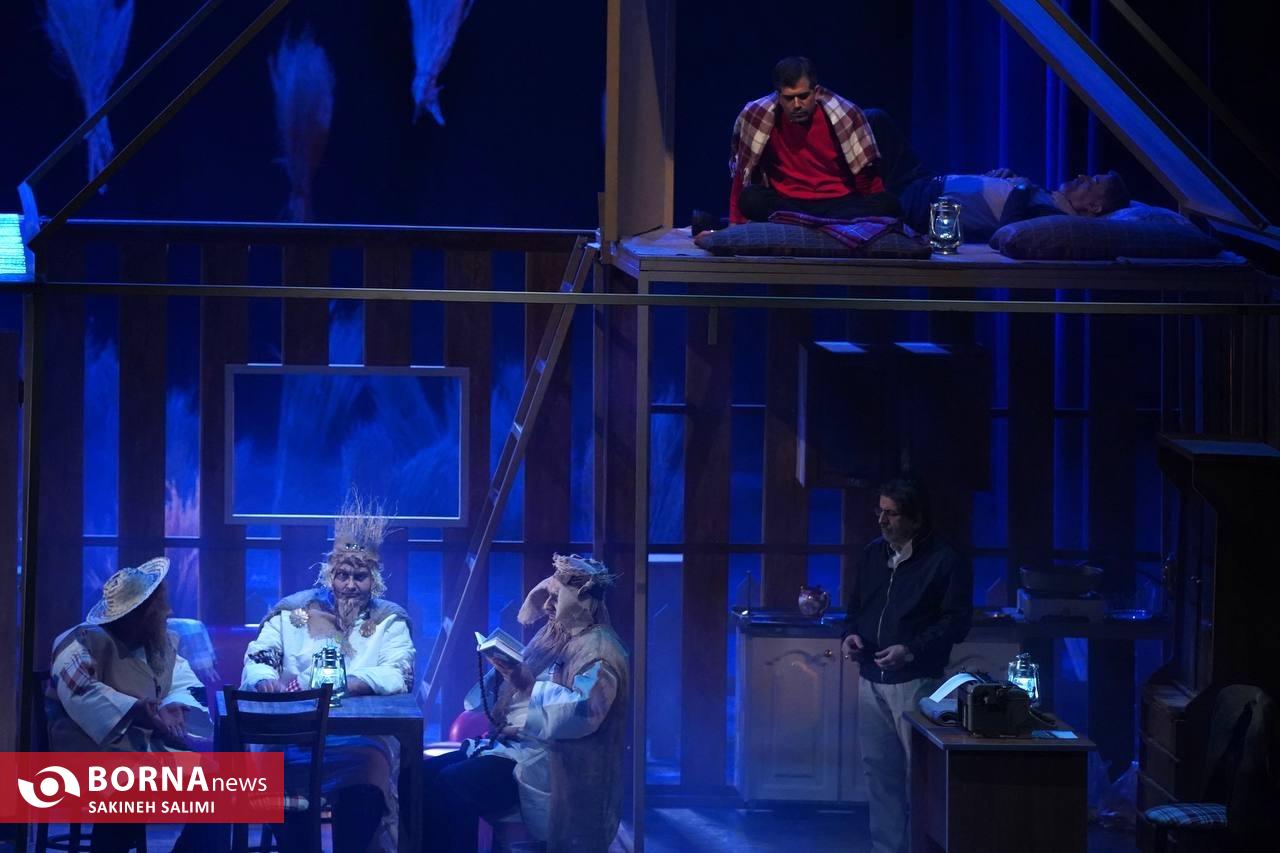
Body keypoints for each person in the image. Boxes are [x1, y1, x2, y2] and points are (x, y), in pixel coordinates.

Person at [421, 554, 629, 852]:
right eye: (548, 597)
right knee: (420, 777)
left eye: (556, 598)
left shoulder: (599, 650)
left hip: (553, 761)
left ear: (582, 601)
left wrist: (528, 686)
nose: (547, 606)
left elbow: (584, 713)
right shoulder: (554, 634)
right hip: (516, 745)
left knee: (453, 784)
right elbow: (525, 684)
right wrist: (503, 674)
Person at [241, 495, 415, 853]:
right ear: (329, 575)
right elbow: (259, 656)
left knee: (365, 785)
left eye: (359, 577)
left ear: (374, 580)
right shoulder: (293, 613)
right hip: (293, 739)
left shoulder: (389, 621)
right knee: (278, 778)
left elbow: (398, 673)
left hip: (358, 742)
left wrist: (337, 685)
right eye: (342, 575)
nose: (350, 585)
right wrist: (264, 680)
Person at [48, 556, 222, 852]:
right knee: (126, 788)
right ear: (138, 614)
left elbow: (183, 680)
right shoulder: (81, 641)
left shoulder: (158, 645)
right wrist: (137, 710)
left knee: (217, 781)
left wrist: (176, 704)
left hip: (141, 751)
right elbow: (80, 689)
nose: (168, 612)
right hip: (89, 753)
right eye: (160, 606)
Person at [841, 476, 972, 853]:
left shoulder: (944, 560)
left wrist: (910, 650)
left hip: (915, 682)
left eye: (892, 514)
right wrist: (849, 635)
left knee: (924, 776)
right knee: (879, 772)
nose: (881, 521)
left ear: (915, 519)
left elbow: (956, 622)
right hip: (871, 680)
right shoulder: (873, 554)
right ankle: (887, 849)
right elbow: (855, 609)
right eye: (880, 511)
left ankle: (926, 848)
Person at [866, 108, 1131, 242]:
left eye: (1093, 182)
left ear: (1095, 207)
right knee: (876, 120)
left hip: (920, 202)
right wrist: (997, 179)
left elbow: (1009, 231)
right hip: (925, 181)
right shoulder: (1051, 200)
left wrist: (1020, 188)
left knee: (873, 126)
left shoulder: (1057, 221)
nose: (1083, 176)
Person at [727, 56, 902, 225]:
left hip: (838, 203)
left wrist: (878, 207)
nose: (797, 105)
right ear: (778, 96)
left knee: (888, 205)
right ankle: (814, 222)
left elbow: (864, 173)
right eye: (789, 98)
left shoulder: (844, 116)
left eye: (803, 96)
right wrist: (734, 223)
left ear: (816, 92)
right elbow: (743, 171)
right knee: (750, 198)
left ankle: (804, 222)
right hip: (788, 203)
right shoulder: (759, 116)